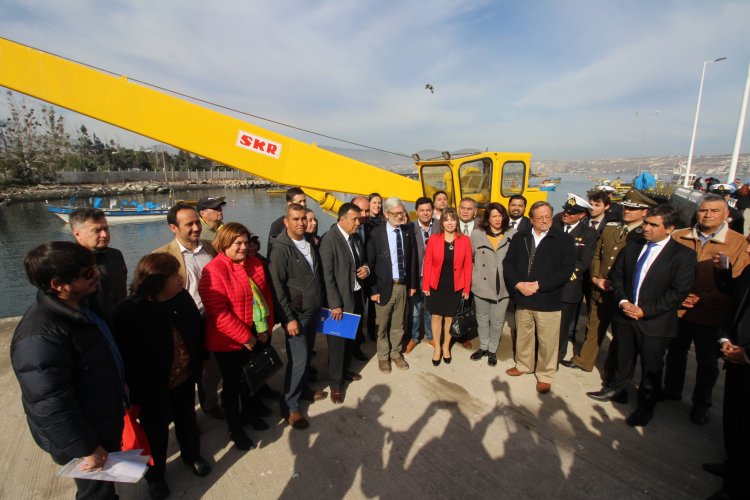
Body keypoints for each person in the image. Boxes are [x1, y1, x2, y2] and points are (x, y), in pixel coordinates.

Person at [11, 241, 125, 500]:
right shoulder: (39, 337)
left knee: (106, 487)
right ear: (58, 285)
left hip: (102, 417)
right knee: (96, 492)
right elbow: (50, 404)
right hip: (85, 435)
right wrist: (86, 447)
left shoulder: (84, 304)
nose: (97, 274)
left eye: (94, 268)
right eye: (87, 274)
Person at [587, 205, 696, 427]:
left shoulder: (683, 255)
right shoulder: (633, 246)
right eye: (646, 223)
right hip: (626, 315)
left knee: (651, 367)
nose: (646, 228)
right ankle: (617, 390)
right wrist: (624, 301)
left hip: (654, 323)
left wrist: (646, 310)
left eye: (653, 225)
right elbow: (617, 276)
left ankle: (646, 407)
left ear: (670, 228)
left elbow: (678, 292)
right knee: (623, 357)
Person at [112, 253, 210, 499]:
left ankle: (191, 455)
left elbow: (195, 329)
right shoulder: (129, 311)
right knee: (155, 432)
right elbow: (121, 354)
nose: (180, 279)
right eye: (174, 275)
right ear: (157, 281)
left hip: (184, 378)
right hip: (151, 387)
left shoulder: (182, 298)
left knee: (187, 419)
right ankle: (155, 477)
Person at [662, 193, 749, 425]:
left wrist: (705, 299)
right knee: (675, 353)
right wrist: (680, 297)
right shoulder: (680, 237)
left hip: (713, 314)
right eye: (703, 210)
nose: (708, 215)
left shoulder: (738, 243)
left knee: (707, 362)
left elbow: (740, 282)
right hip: (679, 310)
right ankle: (671, 390)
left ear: (726, 214)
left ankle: (701, 404)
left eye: (714, 211)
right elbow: (665, 271)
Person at [199, 223, 275, 450]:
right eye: (237, 244)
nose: (243, 248)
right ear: (224, 244)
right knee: (232, 387)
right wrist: (246, 337)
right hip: (230, 340)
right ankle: (235, 428)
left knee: (252, 378)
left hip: (256, 332)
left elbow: (266, 298)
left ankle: (251, 413)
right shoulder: (213, 271)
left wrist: (265, 329)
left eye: (246, 243)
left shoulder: (255, 264)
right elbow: (219, 314)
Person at [562, 190, 655, 373]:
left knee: (621, 336)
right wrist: (596, 277)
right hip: (599, 285)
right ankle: (584, 360)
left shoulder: (643, 234)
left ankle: (613, 373)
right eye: (626, 206)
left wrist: (617, 284)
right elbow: (597, 255)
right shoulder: (612, 227)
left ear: (644, 212)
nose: (626, 210)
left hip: (624, 292)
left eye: (632, 208)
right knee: (594, 325)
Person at [153, 204, 223, 420]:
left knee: (213, 369)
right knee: (185, 373)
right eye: (189, 224)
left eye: (196, 222)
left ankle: (210, 403)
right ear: (174, 228)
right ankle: (184, 417)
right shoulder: (162, 257)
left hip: (211, 319)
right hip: (182, 325)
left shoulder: (210, 248)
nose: (196, 228)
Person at [503, 201, 575, 394]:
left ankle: (545, 375)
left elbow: (566, 270)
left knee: (547, 340)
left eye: (548, 216)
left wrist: (539, 285)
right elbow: (508, 263)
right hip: (523, 297)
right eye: (540, 217)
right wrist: (518, 284)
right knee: (524, 335)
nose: (545, 220)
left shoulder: (563, 240)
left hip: (547, 299)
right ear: (532, 219)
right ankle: (524, 364)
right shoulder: (521, 238)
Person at [269, 203, 328, 430]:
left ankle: (302, 391)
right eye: (295, 219)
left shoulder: (310, 242)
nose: (301, 223)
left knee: (306, 358)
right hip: (297, 316)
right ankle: (290, 406)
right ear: (286, 221)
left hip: (312, 311)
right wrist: (288, 318)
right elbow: (278, 288)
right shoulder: (281, 249)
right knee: (299, 360)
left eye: (304, 218)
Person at [704, 238, 750, 500]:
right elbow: (733, 304)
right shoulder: (748, 271)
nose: (747, 249)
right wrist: (725, 339)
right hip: (735, 357)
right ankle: (732, 465)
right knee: (733, 418)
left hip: (746, 358)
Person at [319, 203, 370, 404]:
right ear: (342, 219)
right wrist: (334, 304)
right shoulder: (330, 240)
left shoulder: (356, 238)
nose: (359, 223)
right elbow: (327, 275)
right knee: (337, 344)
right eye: (355, 219)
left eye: (359, 219)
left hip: (356, 296)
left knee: (350, 340)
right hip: (339, 302)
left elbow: (363, 260)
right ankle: (335, 384)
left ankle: (345, 370)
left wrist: (366, 268)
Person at [367, 197, 418, 373]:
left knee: (398, 324)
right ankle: (383, 356)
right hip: (383, 287)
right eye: (396, 214)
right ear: (386, 214)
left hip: (402, 285)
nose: (400, 216)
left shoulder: (407, 231)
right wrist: (373, 290)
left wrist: (412, 285)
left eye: (402, 213)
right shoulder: (376, 234)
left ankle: (396, 353)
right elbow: (370, 264)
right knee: (382, 325)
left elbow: (412, 260)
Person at [422, 207, 472, 366]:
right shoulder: (434, 239)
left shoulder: (464, 240)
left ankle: (446, 347)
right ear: (441, 222)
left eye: (452, 219)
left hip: (455, 285)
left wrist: (466, 288)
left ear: (456, 221)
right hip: (436, 284)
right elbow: (428, 263)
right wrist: (426, 284)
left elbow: (467, 266)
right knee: (436, 317)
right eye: (446, 219)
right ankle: (437, 347)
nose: (449, 222)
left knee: (450, 318)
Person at [554, 194, 598, 363]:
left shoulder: (588, 234)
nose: (567, 214)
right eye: (566, 210)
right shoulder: (555, 227)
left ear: (582, 215)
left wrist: (564, 276)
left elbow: (584, 261)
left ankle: (556, 358)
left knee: (563, 326)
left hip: (569, 286)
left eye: (572, 212)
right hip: (550, 285)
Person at [470, 202, 515, 366]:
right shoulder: (477, 234)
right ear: (488, 218)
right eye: (494, 216)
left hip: (503, 286)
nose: (497, 219)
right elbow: (470, 258)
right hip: (481, 285)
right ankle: (483, 347)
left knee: (497, 321)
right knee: (482, 318)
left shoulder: (512, 234)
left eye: (500, 215)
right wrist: (473, 278)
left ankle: (492, 350)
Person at [69, 208, 127, 321]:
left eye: (106, 228)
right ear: (77, 234)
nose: (104, 235)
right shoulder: (70, 263)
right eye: (97, 230)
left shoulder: (115, 255)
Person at [405, 196, 439, 353]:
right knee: (416, 310)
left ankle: (431, 337)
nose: (425, 213)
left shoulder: (440, 226)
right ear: (416, 212)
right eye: (422, 210)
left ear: (432, 211)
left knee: (430, 309)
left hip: (434, 276)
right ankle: (413, 337)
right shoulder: (409, 227)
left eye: (428, 210)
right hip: (416, 276)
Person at [267, 187, 307, 253]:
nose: (303, 204)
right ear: (289, 204)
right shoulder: (277, 225)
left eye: (304, 201)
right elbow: (271, 251)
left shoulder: (311, 221)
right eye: (300, 201)